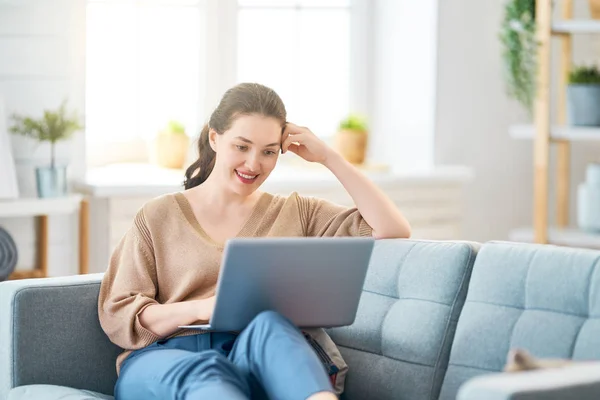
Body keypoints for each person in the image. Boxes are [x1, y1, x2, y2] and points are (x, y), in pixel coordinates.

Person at [98, 82, 411, 400]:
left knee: (271, 325)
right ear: (215, 138)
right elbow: (121, 312)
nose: (253, 164)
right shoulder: (158, 215)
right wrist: (201, 309)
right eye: (242, 146)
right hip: (165, 359)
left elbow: (390, 228)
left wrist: (329, 157)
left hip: (254, 357)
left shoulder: (297, 212)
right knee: (207, 374)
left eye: (268, 152)